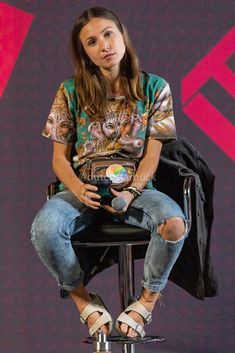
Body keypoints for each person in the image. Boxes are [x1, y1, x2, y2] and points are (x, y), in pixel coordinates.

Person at [31, 6, 188, 339]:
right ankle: (85, 304)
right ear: (84, 52)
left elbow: (152, 155)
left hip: (136, 187)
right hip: (81, 187)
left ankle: (145, 302)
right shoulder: (69, 92)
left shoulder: (155, 87)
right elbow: (59, 158)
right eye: (91, 42)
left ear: (121, 35)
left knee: (174, 223)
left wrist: (132, 192)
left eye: (107, 34)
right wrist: (75, 188)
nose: (103, 46)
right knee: (44, 229)